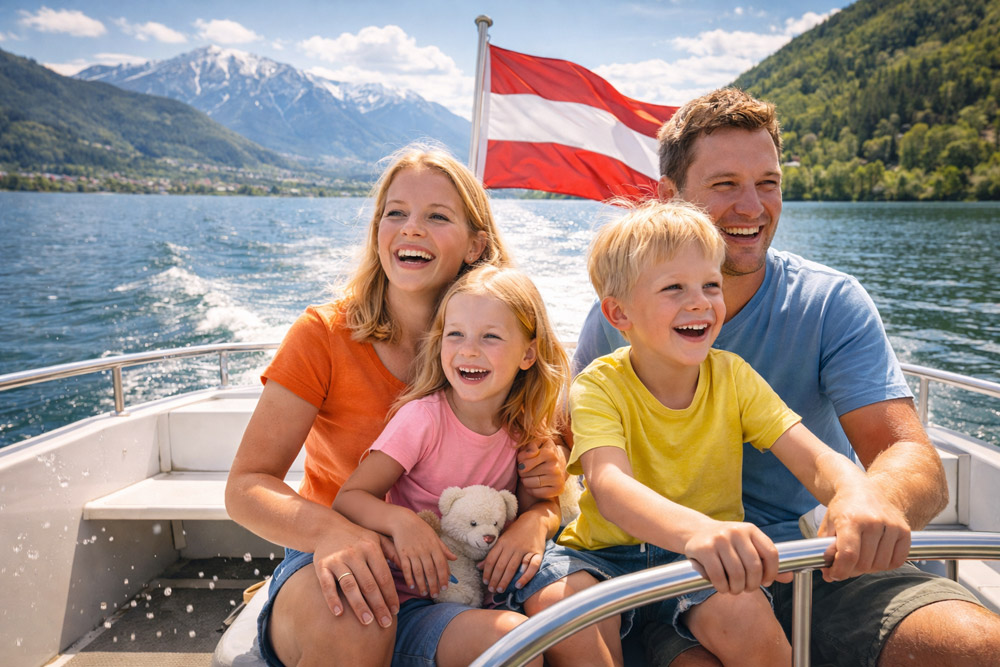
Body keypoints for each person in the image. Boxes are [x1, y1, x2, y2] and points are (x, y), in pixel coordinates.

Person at [573, 88, 1000, 666]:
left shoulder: (830, 303)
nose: (752, 206)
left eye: (768, 183)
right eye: (725, 184)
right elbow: (583, 467)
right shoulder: (616, 331)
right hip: (667, 567)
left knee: (977, 647)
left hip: (819, 557)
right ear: (670, 198)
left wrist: (863, 502)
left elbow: (908, 456)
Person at [513, 199, 914, 667]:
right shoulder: (599, 385)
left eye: (710, 285)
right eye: (674, 288)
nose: (700, 301)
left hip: (701, 564)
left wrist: (853, 491)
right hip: (607, 557)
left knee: (752, 626)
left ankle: (673, 631)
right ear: (619, 314)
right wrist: (702, 530)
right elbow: (610, 487)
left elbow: (813, 456)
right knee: (561, 609)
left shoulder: (734, 377)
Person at [224, 145, 568, 667]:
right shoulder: (323, 334)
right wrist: (332, 531)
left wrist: (537, 515)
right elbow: (246, 487)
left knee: (516, 648)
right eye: (396, 213)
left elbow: (548, 480)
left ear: (477, 245)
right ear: (378, 231)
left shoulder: (507, 345)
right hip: (333, 554)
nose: (411, 228)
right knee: (362, 624)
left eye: (436, 216)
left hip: (457, 579)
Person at [333, 265, 569, 667]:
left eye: (490, 337)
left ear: (528, 353)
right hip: (415, 605)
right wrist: (401, 523)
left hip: (495, 596)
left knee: (571, 617)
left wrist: (537, 522)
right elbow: (350, 499)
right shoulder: (422, 420)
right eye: (455, 334)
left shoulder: (525, 428)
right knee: (516, 646)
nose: (469, 350)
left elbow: (540, 508)